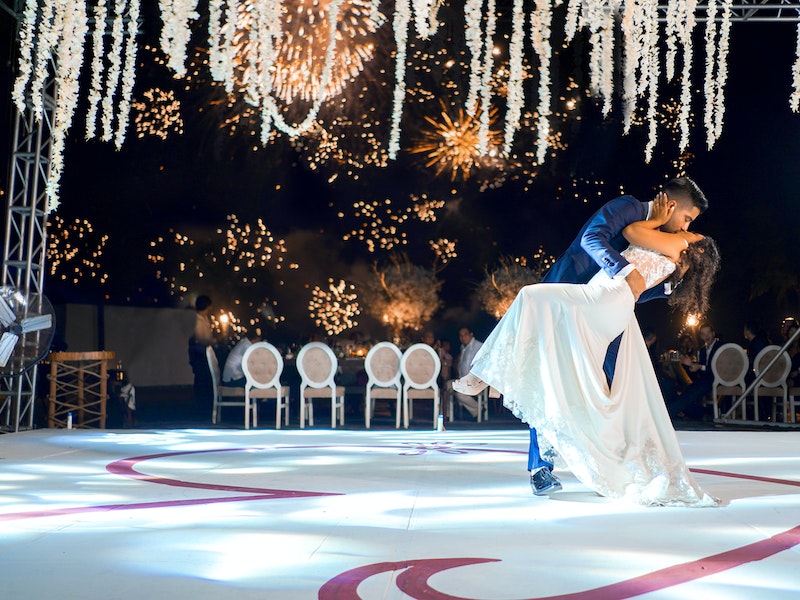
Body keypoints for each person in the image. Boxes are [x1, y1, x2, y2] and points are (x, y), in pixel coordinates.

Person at [454, 192, 721, 506]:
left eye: (692, 227)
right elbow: (593, 239)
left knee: (604, 391)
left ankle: (612, 465)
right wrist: (634, 269)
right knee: (550, 374)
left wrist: (650, 280)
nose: (687, 228)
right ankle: (542, 466)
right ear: (672, 204)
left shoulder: (672, 243)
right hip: (574, 292)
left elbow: (640, 277)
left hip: (602, 306)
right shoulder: (630, 208)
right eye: (688, 220)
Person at [667, 323, 720, 419]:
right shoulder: (702, 350)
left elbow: (720, 368)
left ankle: (669, 412)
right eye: (703, 334)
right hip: (705, 380)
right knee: (687, 392)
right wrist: (691, 365)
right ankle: (704, 412)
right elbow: (700, 369)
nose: (706, 336)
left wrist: (699, 367)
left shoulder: (721, 347)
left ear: (713, 333)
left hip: (718, 379)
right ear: (701, 336)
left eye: (708, 333)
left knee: (691, 393)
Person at [188, 295, 216, 414]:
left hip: (204, 352)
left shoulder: (205, 319)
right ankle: (200, 406)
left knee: (205, 378)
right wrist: (213, 341)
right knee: (201, 378)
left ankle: (205, 404)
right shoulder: (197, 320)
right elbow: (200, 338)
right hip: (199, 353)